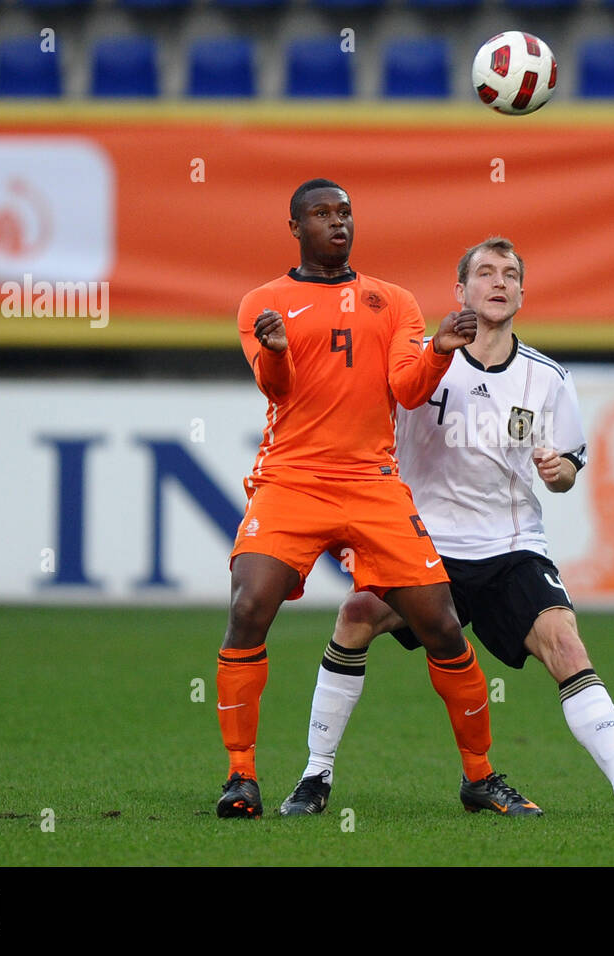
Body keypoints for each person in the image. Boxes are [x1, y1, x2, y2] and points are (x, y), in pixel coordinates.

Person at [279, 237, 614, 820]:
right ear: (460, 291)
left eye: (510, 275)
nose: (499, 283)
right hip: (422, 543)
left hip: (511, 546)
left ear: (521, 292)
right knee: (356, 615)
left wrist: (560, 469)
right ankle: (315, 777)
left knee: (565, 642)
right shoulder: (421, 360)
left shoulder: (547, 377)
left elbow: (569, 468)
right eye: (486, 273)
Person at [216, 182, 539, 819]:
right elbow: (274, 389)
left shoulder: (393, 302)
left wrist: (441, 353)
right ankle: (241, 777)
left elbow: (408, 390)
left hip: (371, 484)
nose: (337, 223)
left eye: (344, 213)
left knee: (442, 624)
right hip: (292, 479)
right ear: (294, 227)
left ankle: (479, 777)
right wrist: (276, 352)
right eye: (321, 214)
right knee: (250, 604)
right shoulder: (264, 303)